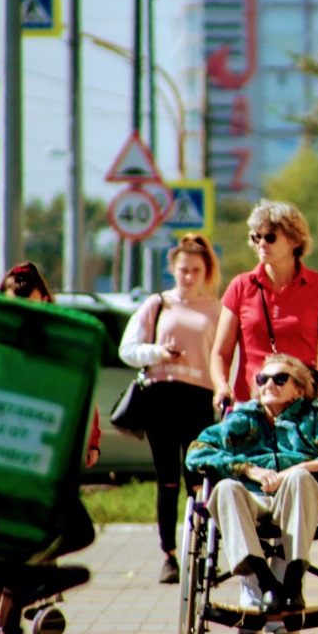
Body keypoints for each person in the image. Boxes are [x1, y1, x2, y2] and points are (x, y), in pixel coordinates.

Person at [186, 353, 318, 634]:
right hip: (253, 498)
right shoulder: (242, 419)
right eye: (263, 379)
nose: (269, 384)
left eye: (280, 379)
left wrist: (301, 467)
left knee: (300, 479)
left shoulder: (317, 418)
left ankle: (292, 582)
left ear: (299, 389)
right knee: (225, 489)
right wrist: (248, 469)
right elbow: (197, 451)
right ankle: (266, 583)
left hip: (298, 500)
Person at [0, 263, 103, 634]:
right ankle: (14, 617)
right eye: (18, 302)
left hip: (49, 450)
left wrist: (91, 440)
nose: (28, 309)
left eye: (34, 301)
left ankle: (38, 611)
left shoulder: (60, 337)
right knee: (8, 539)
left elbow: (82, 390)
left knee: (46, 530)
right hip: (3, 452)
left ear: (45, 298)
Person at [118, 233, 222, 585]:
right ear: (172, 270)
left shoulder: (216, 309)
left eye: (195, 270)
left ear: (206, 271)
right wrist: (157, 353)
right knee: (167, 479)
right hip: (161, 397)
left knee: (200, 479)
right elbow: (128, 348)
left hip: (200, 400)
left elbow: (226, 357)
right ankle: (169, 556)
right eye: (183, 270)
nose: (188, 276)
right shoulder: (158, 304)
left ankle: (203, 551)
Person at [211, 200, 318, 410]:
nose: (262, 243)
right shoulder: (240, 286)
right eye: (256, 237)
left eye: (270, 237)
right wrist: (222, 386)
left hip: (302, 405)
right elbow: (221, 352)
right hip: (251, 406)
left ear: (294, 240)